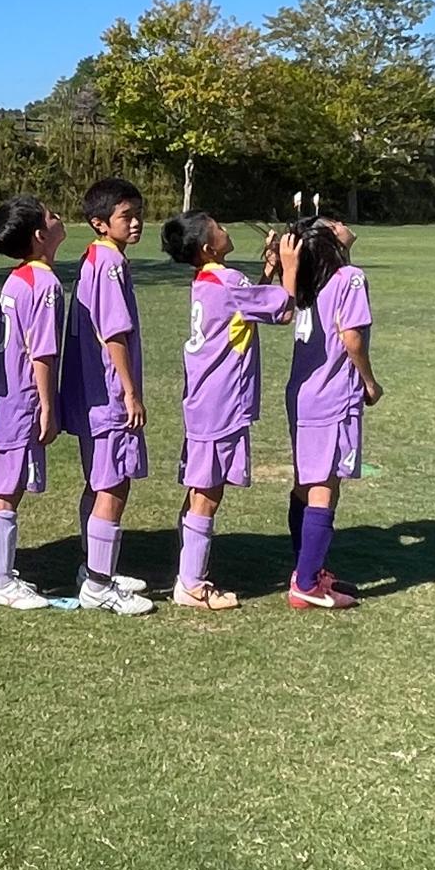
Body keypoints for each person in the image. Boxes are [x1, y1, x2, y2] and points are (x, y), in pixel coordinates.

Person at [160, 210, 300, 611]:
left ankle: (188, 574)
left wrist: (269, 271)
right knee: (208, 492)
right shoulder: (229, 280)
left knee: (200, 488)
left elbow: (248, 307)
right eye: (219, 228)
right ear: (209, 247)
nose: (226, 230)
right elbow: (283, 312)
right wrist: (290, 265)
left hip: (204, 399)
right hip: (221, 401)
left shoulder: (210, 279)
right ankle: (191, 584)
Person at [267, 217, 378, 609]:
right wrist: (369, 381)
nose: (341, 222)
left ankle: (307, 568)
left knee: (305, 482)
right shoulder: (349, 277)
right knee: (324, 487)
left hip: (302, 394)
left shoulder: (310, 280)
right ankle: (307, 584)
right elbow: (352, 338)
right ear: (329, 242)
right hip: (332, 395)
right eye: (334, 223)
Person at [60, 177, 154, 615]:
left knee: (99, 480)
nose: (136, 223)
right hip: (110, 393)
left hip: (89, 392)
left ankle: (93, 568)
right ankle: (99, 584)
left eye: (138, 214)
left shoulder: (93, 257)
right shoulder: (110, 262)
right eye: (126, 216)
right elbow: (114, 332)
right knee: (114, 483)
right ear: (100, 222)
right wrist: (130, 392)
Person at [0, 195, 77, 610]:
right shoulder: (45, 284)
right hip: (21, 398)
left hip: (2, 395)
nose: (59, 218)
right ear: (40, 234)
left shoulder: (17, 279)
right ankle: (0, 580)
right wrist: (48, 406)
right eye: (52, 216)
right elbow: (42, 352)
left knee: (0, 483)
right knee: (8, 488)